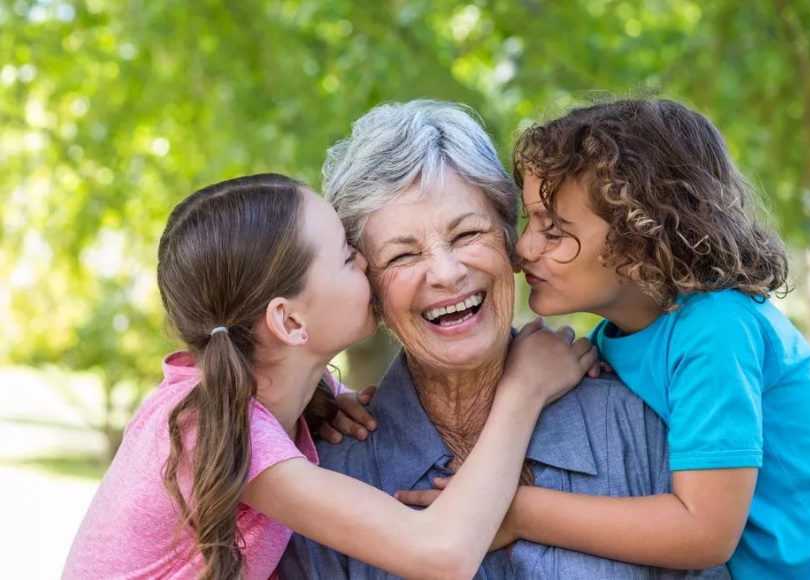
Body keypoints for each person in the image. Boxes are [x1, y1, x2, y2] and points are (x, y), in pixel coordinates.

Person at [62, 173, 596, 579]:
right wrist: (524, 390)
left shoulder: (256, 406)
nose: (367, 263)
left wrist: (323, 399)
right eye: (346, 256)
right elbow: (442, 554)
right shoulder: (218, 430)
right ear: (289, 321)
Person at [281, 100, 728, 578]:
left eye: (468, 233)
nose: (448, 274)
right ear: (368, 289)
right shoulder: (326, 474)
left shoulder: (637, 419)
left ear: (511, 241)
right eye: (402, 256)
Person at [508, 97, 810, 576]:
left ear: (640, 240)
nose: (522, 248)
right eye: (528, 221)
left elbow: (703, 532)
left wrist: (518, 511)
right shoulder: (616, 338)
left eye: (554, 230)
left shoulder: (715, 327)